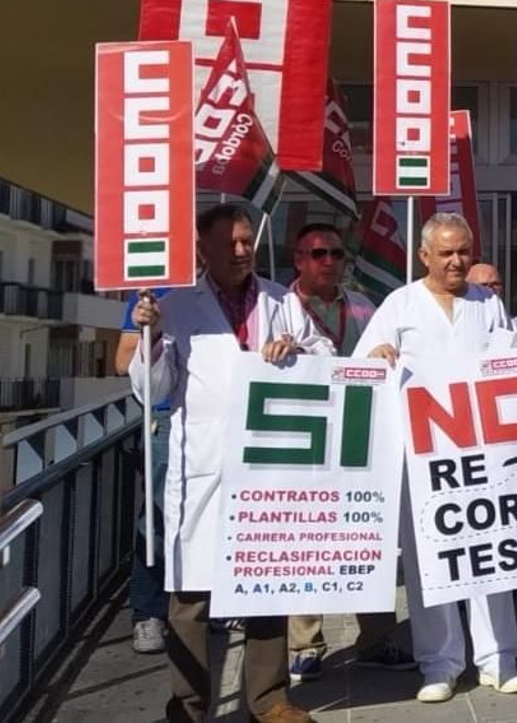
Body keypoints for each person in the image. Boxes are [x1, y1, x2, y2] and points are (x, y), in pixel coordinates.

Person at [128, 203, 328, 723]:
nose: (242, 251)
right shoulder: (175, 306)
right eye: (230, 243)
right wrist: (150, 338)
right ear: (203, 249)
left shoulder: (282, 300)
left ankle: (269, 699)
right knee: (191, 592)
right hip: (205, 463)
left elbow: (325, 355)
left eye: (247, 241)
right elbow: (153, 390)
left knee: (265, 579)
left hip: (268, 463)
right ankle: (189, 705)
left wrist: (298, 351)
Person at [354, 213, 517, 703]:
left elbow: (512, 358)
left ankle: (499, 658)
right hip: (423, 455)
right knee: (430, 559)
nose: (457, 261)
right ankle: (439, 663)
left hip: (482, 451)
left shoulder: (487, 303)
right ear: (424, 255)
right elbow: (365, 364)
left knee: (491, 550)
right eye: (447, 252)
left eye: (463, 251)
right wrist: (377, 354)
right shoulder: (400, 304)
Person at [284, 223, 407, 683]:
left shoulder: (361, 305)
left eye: (336, 254)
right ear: (299, 259)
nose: (329, 262)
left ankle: (376, 638)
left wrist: (384, 351)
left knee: (365, 533)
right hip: (303, 436)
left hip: (357, 434)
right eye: (318, 253)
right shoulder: (278, 307)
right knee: (305, 540)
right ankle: (305, 644)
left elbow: (386, 355)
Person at [116, 289, 171, 655]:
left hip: (216, 419)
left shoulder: (237, 297)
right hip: (165, 417)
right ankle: (149, 612)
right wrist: (151, 333)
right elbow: (122, 362)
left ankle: (211, 604)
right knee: (156, 515)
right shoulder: (154, 297)